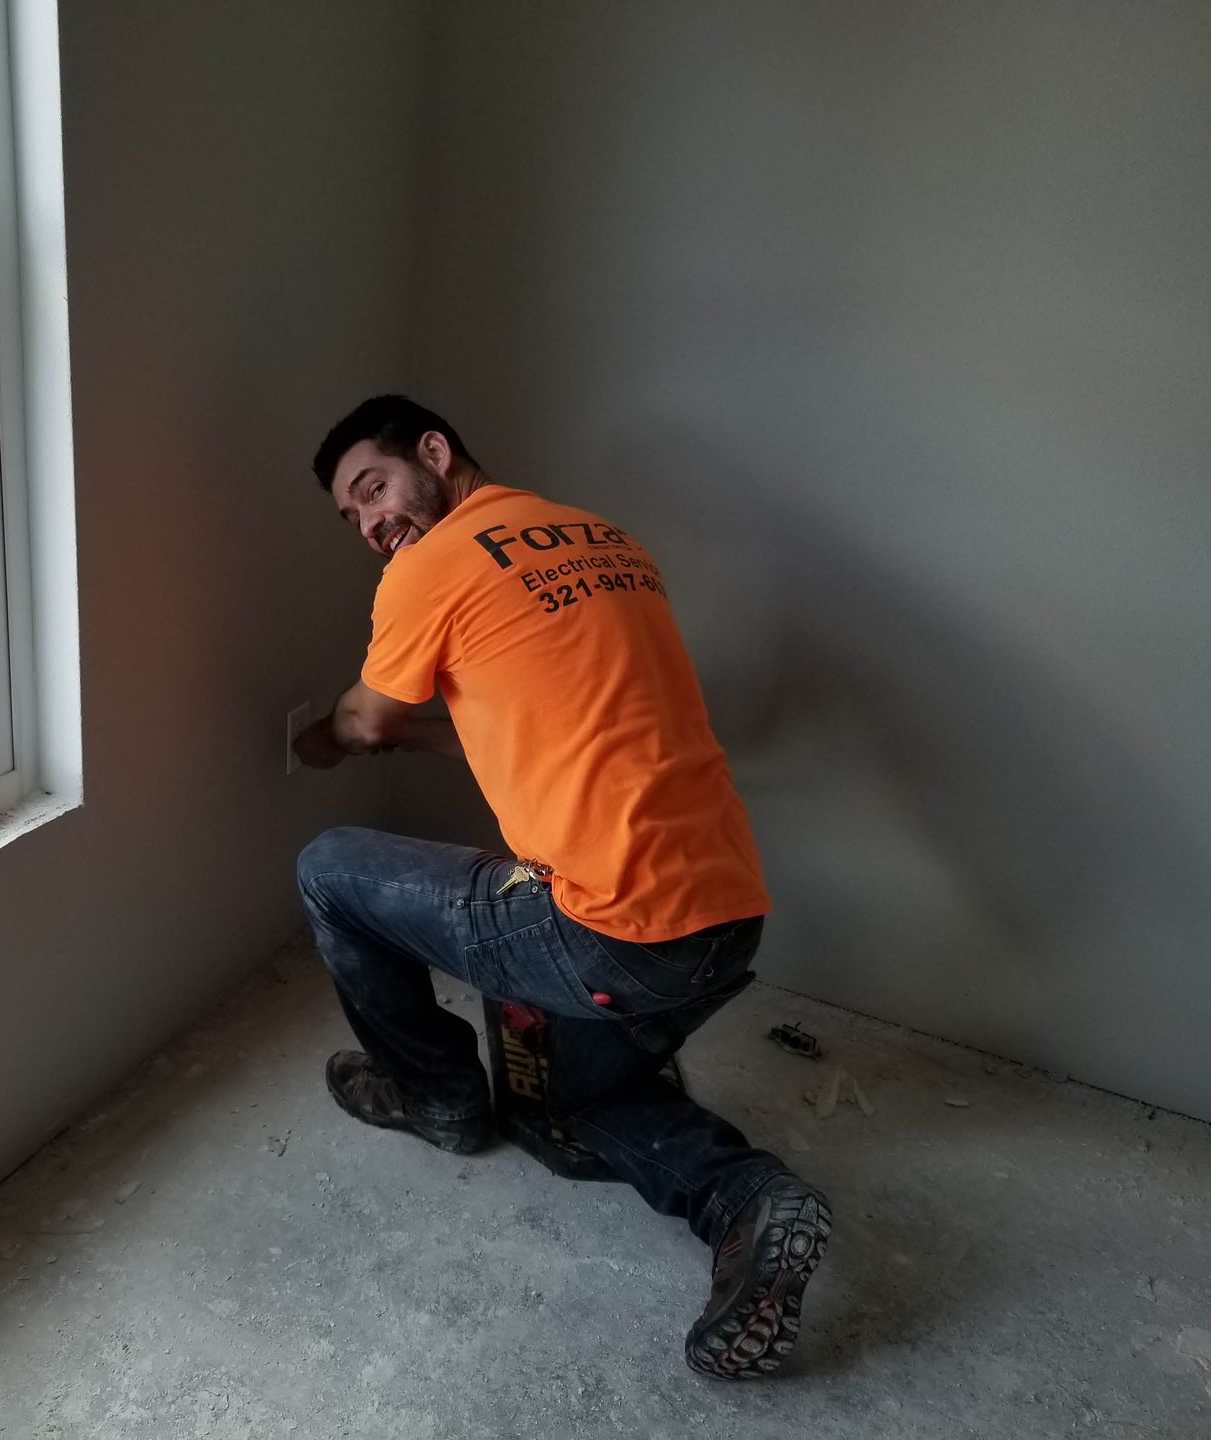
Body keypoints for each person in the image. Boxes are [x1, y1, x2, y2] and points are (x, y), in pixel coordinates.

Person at [293, 395, 831, 1380]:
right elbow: (519, 715)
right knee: (565, 1120)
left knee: (329, 868)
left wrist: (322, 729)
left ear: (435, 450)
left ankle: (437, 1096)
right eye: (352, 519)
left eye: (371, 489)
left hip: (606, 932)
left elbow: (368, 724)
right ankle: (748, 1201)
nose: (371, 526)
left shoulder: (433, 565)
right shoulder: (605, 539)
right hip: (725, 922)